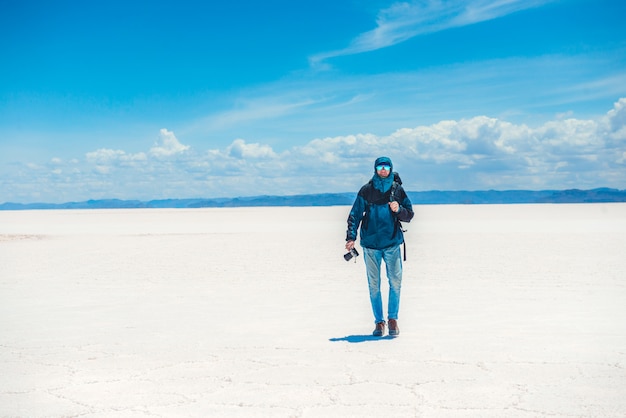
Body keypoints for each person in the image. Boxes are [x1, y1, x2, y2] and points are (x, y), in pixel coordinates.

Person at [345, 157, 414, 337]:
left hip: (391, 244)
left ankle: (392, 320)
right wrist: (350, 237)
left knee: (395, 283)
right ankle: (379, 322)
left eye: (386, 167)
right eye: (380, 167)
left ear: (390, 169)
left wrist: (398, 209)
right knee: (374, 285)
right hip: (370, 245)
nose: (383, 170)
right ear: (375, 169)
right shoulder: (366, 190)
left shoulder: (397, 190)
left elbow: (409, 215)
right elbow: (355, 215)